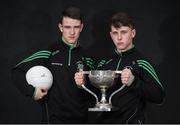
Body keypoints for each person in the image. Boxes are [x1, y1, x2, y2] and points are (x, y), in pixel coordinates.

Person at [74, 11, 165, 124]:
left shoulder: (141, 63)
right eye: (115, 33)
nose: (119, 37)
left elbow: (159, 96)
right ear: (111, 35)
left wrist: (134, 82)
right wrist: (82, 85)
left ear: (133, 33)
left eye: (124, 32)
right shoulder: (104, 63)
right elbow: (94, 98)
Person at [12, 6, 89, 123]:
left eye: (76, 27)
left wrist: (85, 83)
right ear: (60, 27)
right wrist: (32, 92)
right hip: (53, 120)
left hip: (82, 121)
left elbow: (96, 90)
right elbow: (16, 71)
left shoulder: (87, 57)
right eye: (67, 27)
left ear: (81, 27)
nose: (72, 32)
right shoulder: (48, 52)